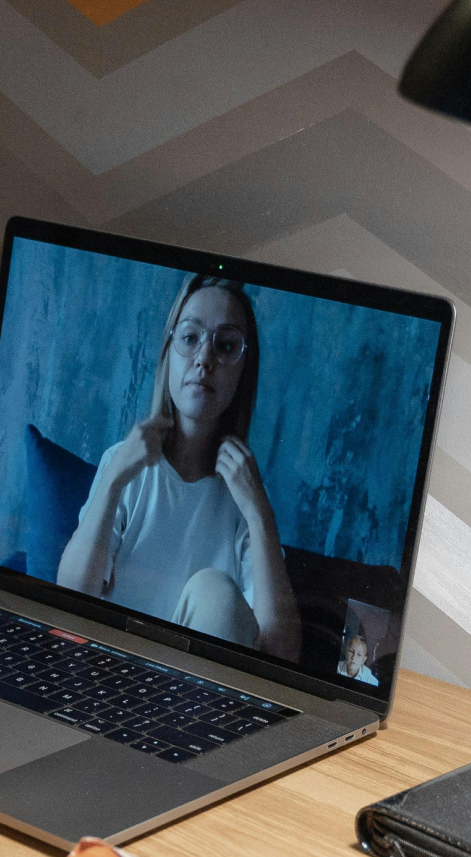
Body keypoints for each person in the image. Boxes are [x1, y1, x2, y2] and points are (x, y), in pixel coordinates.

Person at [57, 275, 300, 662]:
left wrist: (259, 514)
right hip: (108, 671)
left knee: (216, 594)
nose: (204, 359)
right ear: (169, 353)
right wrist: (115, 477)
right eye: (189, 338)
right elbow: (70, 598)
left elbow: (282, 653)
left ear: (243, 372)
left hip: (195, 690)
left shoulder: (246, 497)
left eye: (225, 346)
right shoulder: (123, 464)